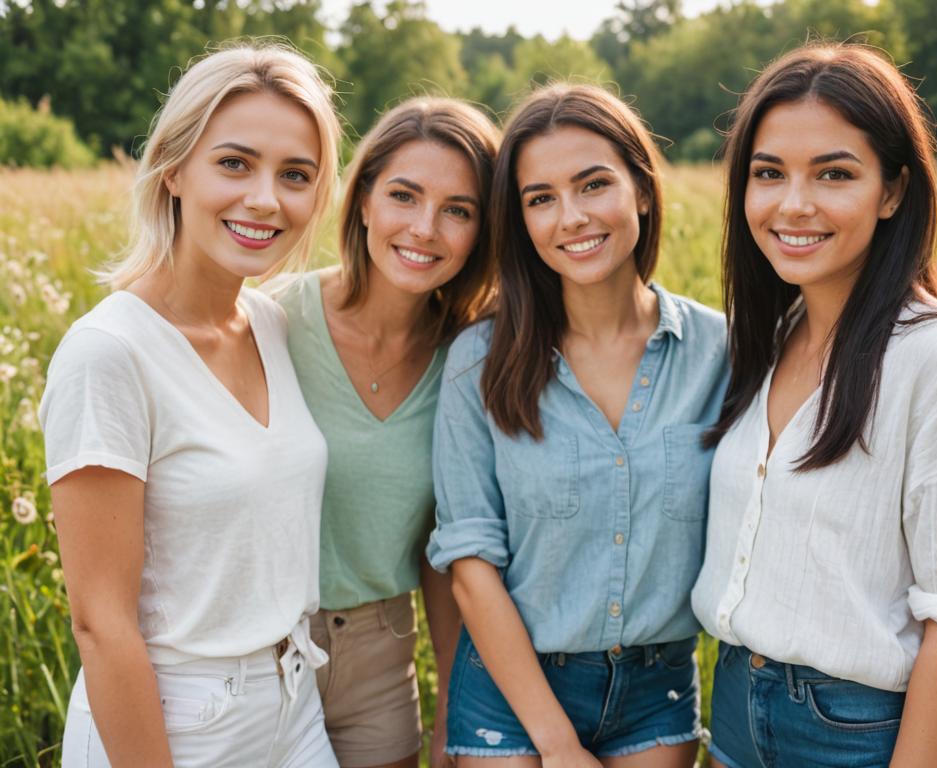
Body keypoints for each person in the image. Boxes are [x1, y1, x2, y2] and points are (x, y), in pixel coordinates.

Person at [691, 42, 937, 768]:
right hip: (738, 715)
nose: (794, 203)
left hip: (863, 736)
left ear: (894, 191)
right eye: (768, 173)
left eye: (834, 174)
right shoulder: (770, 337)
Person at [39, 42, 341, 767]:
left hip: (293, 702)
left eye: (295, 175)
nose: (266, 198)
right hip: (174, 719)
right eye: (234, 163)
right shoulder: (109, 353)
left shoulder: (272, 324)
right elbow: (101, 625)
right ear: (173, 169)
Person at [427, 83, 729, 765]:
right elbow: (471, 566)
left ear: (642, 192)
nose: (571, 218)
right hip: (512, 686)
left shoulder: (722, 354)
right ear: (522, 220)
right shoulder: (478, 360)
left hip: (658, 688)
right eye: (541, 199)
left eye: (594, 186)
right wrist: (558, 746)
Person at [272, 97, 498, 768]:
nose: (424, 228)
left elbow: (444, 549)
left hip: (380, 662)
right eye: (404, 195)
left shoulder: (471, 360)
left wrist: (455, 715)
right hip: (259, 653)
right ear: (364, 199)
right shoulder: (272, 324)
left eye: (458, 210)